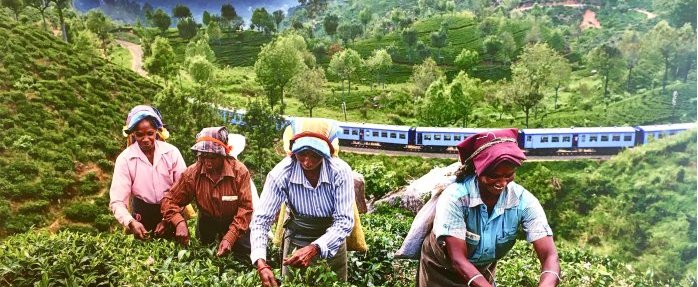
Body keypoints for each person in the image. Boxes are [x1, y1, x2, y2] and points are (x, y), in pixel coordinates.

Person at [418, 128, 560, 287]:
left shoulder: (524, 202)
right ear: (478, 171)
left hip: (481, 270)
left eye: (509, 175)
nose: (502, 183)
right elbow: (458, 259)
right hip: (440, 269)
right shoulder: (456, 198)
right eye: (494, 176)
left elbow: (549, 256)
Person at [249, 119, 355, 287]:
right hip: (297, 240)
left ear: (326, 153)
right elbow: (261, 221)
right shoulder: (281, 174)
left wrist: (315, 248)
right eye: (302, 154)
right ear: (293, 151)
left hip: (332, 243)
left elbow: (344, 222)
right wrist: (261, 263)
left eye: (315, 155)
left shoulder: (340, 172)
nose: (307, 162)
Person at [160, 126, 253, 258]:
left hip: (236, 225)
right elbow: (169, 201)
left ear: (223, 154)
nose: (207, 162)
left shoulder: (239, 172)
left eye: (213, 157)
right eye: (203, 156)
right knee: (204, 258)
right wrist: (179, 222)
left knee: (243, 260)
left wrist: (230, 237)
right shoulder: (193, 173)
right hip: (206, 223)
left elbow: (246, 208)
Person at [109, 105, 186, 239]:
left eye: (150, 133)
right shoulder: (125, 159)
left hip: (172, 211)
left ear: (157, 131)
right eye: (139, 134)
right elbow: (117, 201)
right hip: (141, 215)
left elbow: (184, 190)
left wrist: (168, 220)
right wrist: (131, 222)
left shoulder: (171, 153)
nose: (145, 139)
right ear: (133, 133)